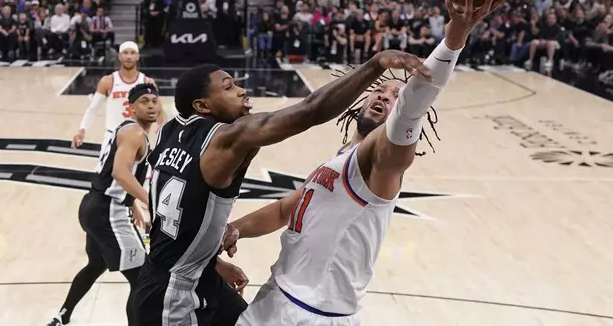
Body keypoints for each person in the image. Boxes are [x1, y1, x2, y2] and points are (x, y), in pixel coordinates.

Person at [222, 0, 505, 326]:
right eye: (381, 91)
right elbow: (286, 209)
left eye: (395, 98)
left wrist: (454, 38)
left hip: (317, 315)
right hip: (276, 296)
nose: (386, 96)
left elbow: (413, 105)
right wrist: (235, 229)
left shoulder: (382, 161)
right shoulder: (341, 159)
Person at [133, 41, 430, 323]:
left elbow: (173, 216)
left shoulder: (167, 133)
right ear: (203, 106)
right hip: (173, 295)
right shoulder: (226, 139)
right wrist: (375, 65)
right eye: (228, 88)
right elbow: (311, 110)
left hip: (183, 273)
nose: (241, 90)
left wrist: (209, 259)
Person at [46, 83, 159, 326]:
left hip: (93, 206)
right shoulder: (135, 133)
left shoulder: (129, 130)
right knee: (142, 278)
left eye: (154, 100)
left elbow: (113, 172)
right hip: (108, 211)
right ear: (131, 107)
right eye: (144, 101)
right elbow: (119, 172)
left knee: (96, 263)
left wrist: (132, 204)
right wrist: (150, 202)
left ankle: (63, 314)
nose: (151, 105)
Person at [71, 41, 166, 171]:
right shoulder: (108, 81)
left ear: (137, 56)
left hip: (138, 137)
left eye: (132, 53)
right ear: (119, 56)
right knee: (102, 175)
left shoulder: (147, 82)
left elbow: (159, 110)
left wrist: (163, 129)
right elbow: (93, 109)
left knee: (135, 178)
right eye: (125, 53)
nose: (128, 56)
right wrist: (82, 130)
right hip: (112, 136)